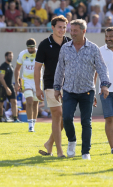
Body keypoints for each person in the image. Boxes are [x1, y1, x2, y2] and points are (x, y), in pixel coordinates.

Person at [53, 19, 111, 160]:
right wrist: (56, 87)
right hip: (68, 90)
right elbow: (60, 69)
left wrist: (104, 85)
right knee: (66, 118)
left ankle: (86, 152)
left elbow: (102, 68)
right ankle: (72, 140)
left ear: (84, 31)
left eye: (75, 31)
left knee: (86, 122)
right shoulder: (65, 48)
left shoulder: (93, 48)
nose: (71, 33)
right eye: (71, 30)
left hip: (87, 91)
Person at [34, 15, 71, 157]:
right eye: (59, 27)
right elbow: (37, 68)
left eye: (64, 27)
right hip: (51, 84)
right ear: (53, 27)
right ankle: (60, 151)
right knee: (58, 114)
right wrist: (38, 88)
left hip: (69, 85)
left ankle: (49, 143)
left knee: (66, 117)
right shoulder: (44, 44)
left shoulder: (70, 43)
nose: (62, 30)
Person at [15, 39, 40, 132]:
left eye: (32, 48)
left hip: (38, 81)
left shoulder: (40, 53)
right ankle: (30, 125)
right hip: (26, 81)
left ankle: (33, 122)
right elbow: (17, 69)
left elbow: (45, 66)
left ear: (35, 46)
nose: (31, 49)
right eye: (29, 48)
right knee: (29, 101)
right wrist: (17, 82)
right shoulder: (23, 54)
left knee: (35, 103)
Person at [0, 52, 21, 123]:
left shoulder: (11, 65)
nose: (11, 57)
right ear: (6, 57)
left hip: (10, 86)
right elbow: (1, 78)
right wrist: (6, 88)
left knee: (14, 102)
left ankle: (15, 119)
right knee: (0, 103)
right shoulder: (3, 66)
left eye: (12, 56)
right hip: (3, 87)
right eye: (10, 56)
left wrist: (13, 86)